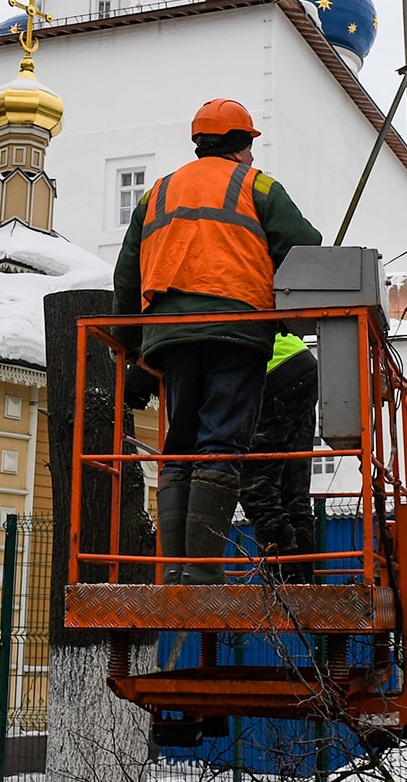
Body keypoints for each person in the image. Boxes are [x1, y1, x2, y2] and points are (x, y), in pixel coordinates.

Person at [113, 99, 322, 585]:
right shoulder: (259, 185)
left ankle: (177, 569)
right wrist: (291, 313)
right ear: (243, 145)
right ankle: (203, 572)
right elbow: (305, 246)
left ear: (199, 143)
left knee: (180, 441)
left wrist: (132, 348)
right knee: (221, 443)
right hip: (238, 333)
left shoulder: (157, 193)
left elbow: (127, 275)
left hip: (168, 339)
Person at [241, 333, 319, 582]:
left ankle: (288, 585)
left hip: (272, 372)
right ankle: (305, 584)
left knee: (256, 489)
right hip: (300, 360)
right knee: (293, 493)